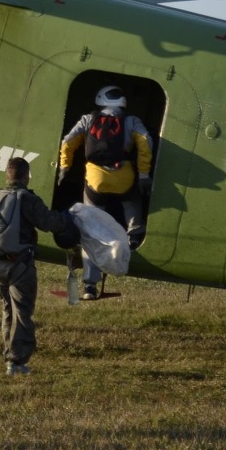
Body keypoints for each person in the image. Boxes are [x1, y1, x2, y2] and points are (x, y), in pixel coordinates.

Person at [0, 157, 79, 376]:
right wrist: (69, 218)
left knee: (7, 310)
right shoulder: (27, 199)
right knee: (22, 312)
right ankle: (16, 362)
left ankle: (10, 354)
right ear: (26, 176)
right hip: (20, 265)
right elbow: (50, 223)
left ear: (6, 175)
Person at [58, 84, 154, 299]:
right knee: (132, 204)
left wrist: (64, 168)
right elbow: (146, 142)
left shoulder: (86, 119)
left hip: (95, 180)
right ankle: (133, 238)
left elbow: (67, 143)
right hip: (124, 178)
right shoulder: (132, 121)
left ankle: (90, 286)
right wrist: (144, 175)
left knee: (90, 232)